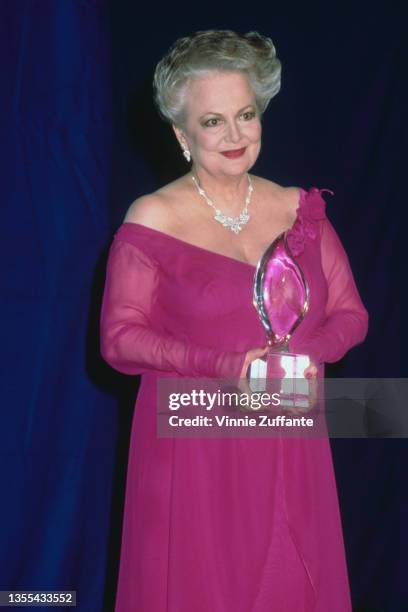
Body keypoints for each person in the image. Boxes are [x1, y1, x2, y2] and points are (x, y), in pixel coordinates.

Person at [100, 30, 368, 612]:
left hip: (292, 435)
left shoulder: (302, 209)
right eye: (213, 121)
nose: (235, 135)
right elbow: (119, 340)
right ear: (181, 134)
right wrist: (224, 365)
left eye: (245, 114)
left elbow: (351, 313)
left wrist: (307, 355)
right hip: (196, 448)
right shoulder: (153, 217)